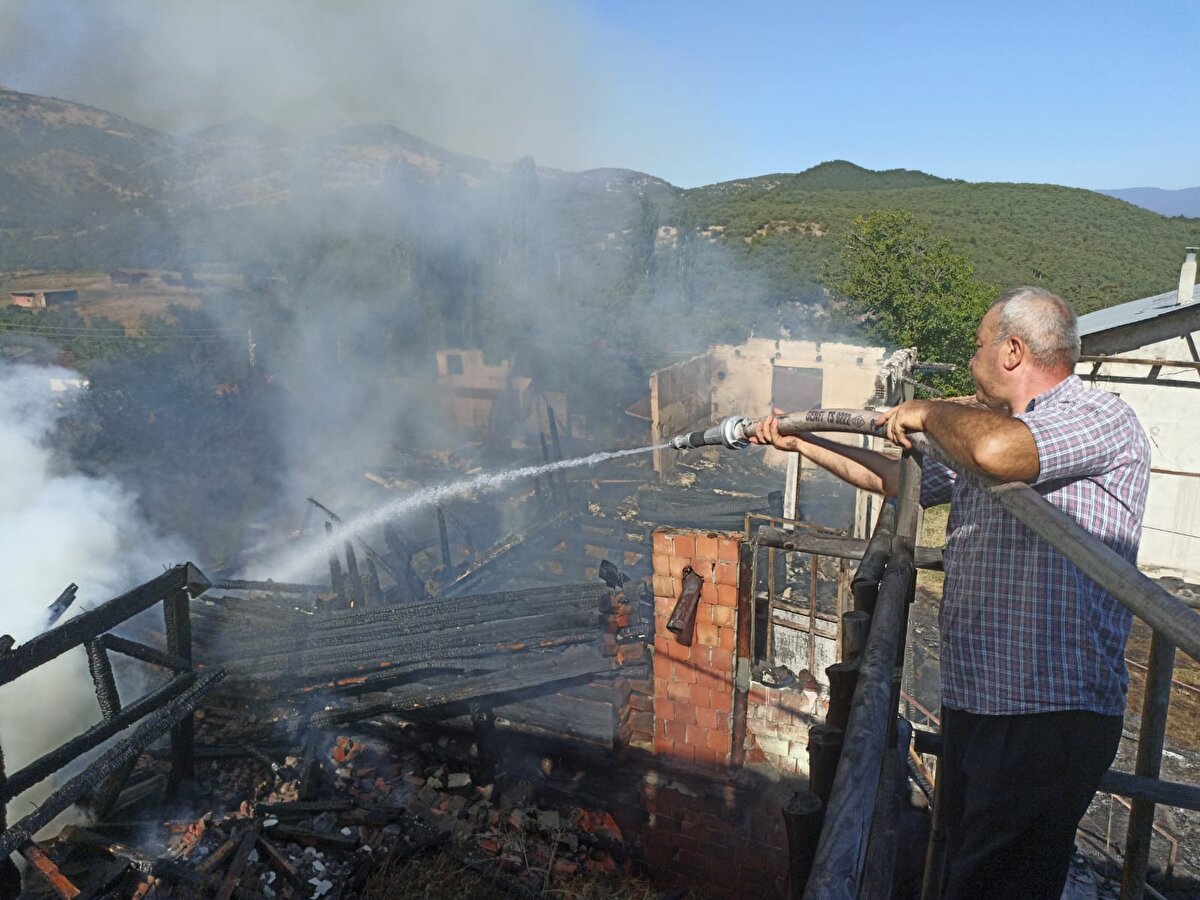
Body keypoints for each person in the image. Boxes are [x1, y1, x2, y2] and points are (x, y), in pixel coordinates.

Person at [752, 287, 1150, 899]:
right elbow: (894, 478)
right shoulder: (989, 435)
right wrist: (803, 442)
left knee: (998, 884)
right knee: (967, 869)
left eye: (978, 345)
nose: (970, 360)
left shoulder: (1096, 416)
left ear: (1012, 351)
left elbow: (997, 452)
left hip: (1048, 713)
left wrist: (926, 410)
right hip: (982, 702)